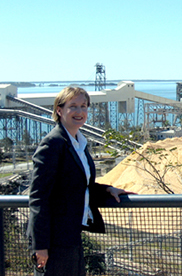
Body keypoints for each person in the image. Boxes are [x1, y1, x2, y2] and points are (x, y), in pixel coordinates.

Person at [27, 87, 134, 275]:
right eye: (73, 106)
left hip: (72, 234)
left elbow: (79, 185)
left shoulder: (79, 143)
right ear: (59, 110)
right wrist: (40, 246)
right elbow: (38, 198)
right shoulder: (52, 144)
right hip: (54, 240)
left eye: (84, 106)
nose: (80, 112)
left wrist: (108, 189)